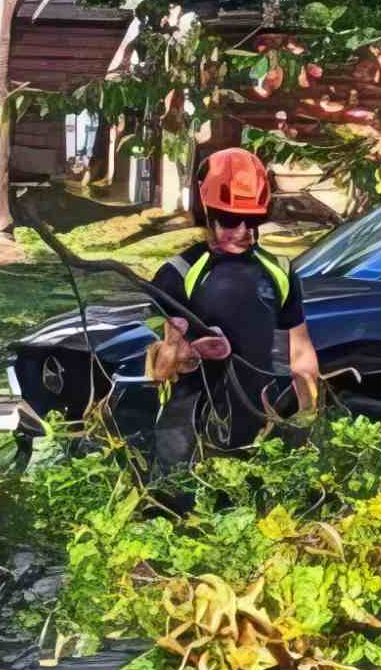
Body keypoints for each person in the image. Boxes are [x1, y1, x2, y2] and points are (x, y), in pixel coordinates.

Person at [136, 141, 321, 467]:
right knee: (179, 499)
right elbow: (156, 365)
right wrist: (185, 353)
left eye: (252, 221)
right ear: (208, 214)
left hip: (260, 415)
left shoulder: (280, 270)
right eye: (230, 220)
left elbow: (300, 350)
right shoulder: (177, 275)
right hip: (189, 423)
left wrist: (306, 412)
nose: (242, 232)